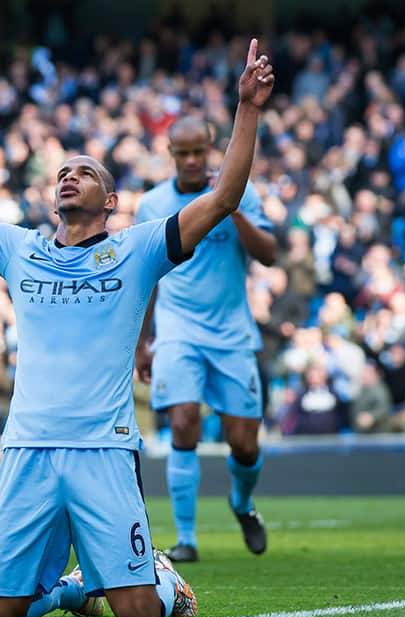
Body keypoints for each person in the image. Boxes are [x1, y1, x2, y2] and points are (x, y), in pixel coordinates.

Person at [0, 42, 273, 617]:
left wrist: (248, 109)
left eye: (83, 173)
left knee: (137, 612)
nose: (68, 177)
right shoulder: (18, 249)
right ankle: (74, 588)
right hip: (26, 446)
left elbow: (224, 196)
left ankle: (150, 578)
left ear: (109, 201)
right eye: (62, 173)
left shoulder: (138, 249)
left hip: (104, 449)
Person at [135, 117, 277, 563]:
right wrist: (143, 341)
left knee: (244, 443)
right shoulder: (153, 204)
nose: (194, 161)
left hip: (232, 333)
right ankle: (187, 538)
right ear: (171, 154)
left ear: (212, 150)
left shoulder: (241, 193)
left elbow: (270, 255)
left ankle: (241, 503)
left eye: (201, 152)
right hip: (177, 331)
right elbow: (146, 277)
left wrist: (229, 206)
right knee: (181, 424)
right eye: (185, 153)